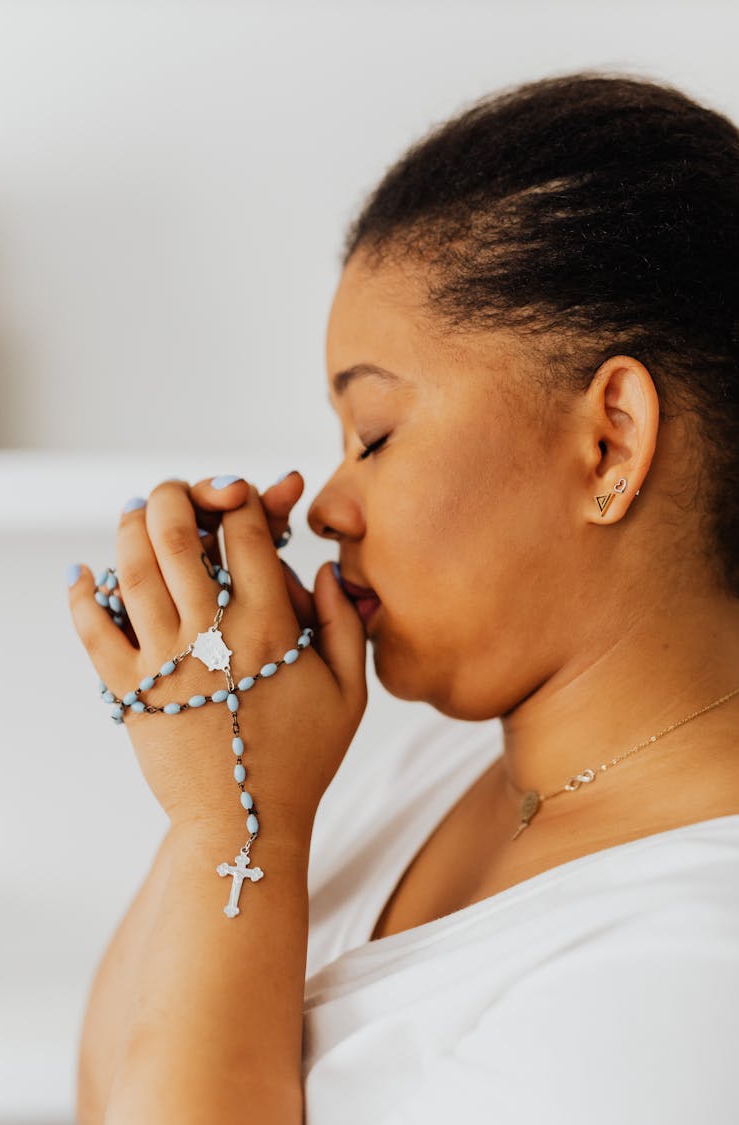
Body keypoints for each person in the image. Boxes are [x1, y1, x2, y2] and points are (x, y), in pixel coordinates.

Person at [70, 70, 739, 1124]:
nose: (328, 505)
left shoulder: (697, 967)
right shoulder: (426, 768)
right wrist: (228, 767)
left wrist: (237, 826)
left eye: (374, 434)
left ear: (610, 441)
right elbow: (110, 1086)